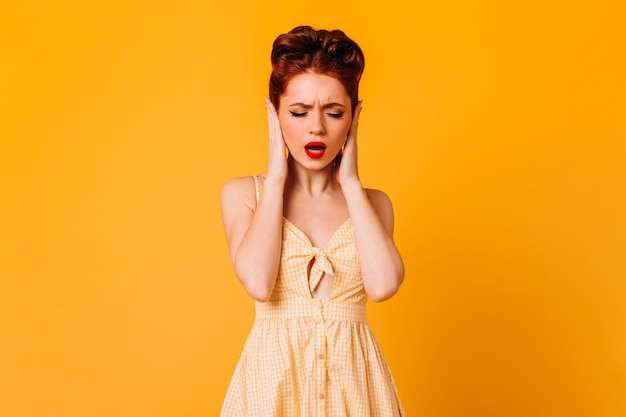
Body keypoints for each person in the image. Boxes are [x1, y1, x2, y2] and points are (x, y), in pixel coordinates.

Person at [220, 25, 405, 416]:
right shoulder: (244, 195)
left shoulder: (374, 204)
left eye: (334, 112)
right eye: (299, 112)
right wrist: (275, 177)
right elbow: (257, 282)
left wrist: (351, 182)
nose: (316, 127)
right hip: (272, 392)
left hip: (357, 392)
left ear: (354, 117)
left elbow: (384, 285)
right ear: (275, 114)